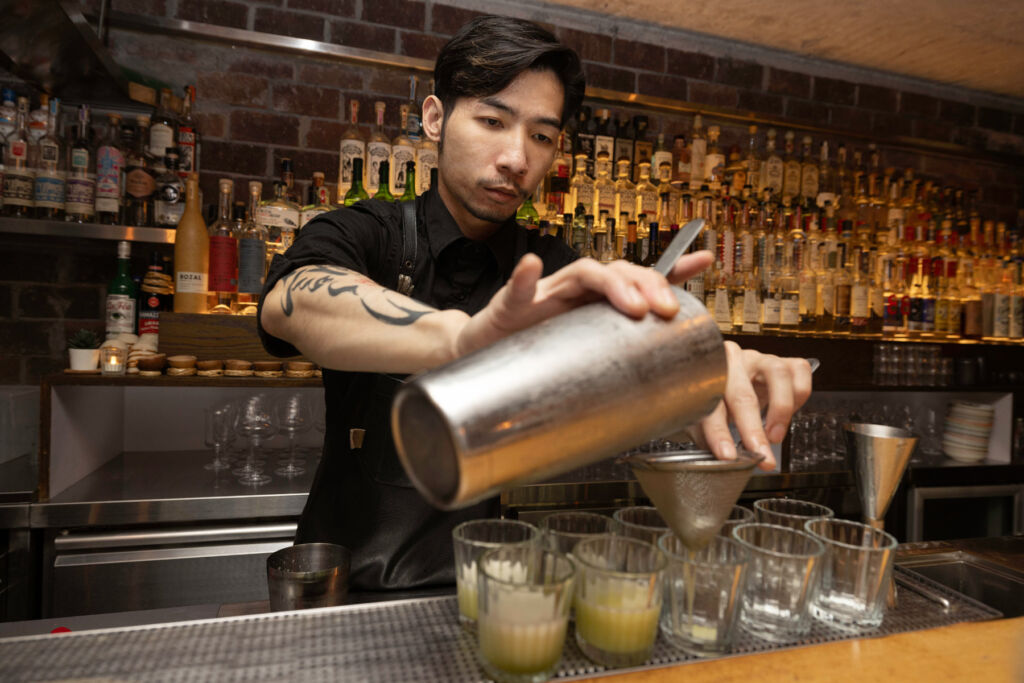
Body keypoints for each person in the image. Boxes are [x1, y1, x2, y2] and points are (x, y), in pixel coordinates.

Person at [258, 15, 812, 591]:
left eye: (541, 136)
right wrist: (461, 340)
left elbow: (636, 365)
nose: (516, 158)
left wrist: (703, 370)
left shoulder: (557, 269)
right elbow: (292, 300)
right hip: (338, 590)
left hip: (481, 591)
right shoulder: (367, 231)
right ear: (434, 119)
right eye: (493, 121)